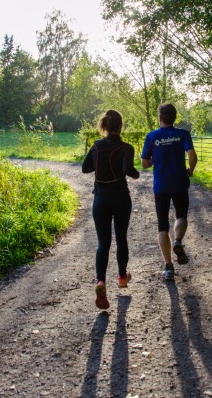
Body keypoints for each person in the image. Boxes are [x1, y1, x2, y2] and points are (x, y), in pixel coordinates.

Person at [82, 110, 140, 309]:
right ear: (120, 126)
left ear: (104, 126)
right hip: (120, 198)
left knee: (103, 243)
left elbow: (85, 168)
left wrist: (101, 163)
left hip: (100, 199)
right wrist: (136, 174)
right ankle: (122, 277)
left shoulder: (96, 146)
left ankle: (100, 282)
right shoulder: (126, 148)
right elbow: (127, 170)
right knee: (121, 238)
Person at [141, 103, 197, 281]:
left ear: (160, 118)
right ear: (174, 117)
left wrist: (152, 162)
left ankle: (169, 268)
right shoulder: (182, 134)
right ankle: (178, 241)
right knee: (181, 215)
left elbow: (144, 163)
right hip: (180, 182)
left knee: (162, 225)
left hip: (161, 186)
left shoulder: (152, 136)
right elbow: (192, 155)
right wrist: (191, 169)